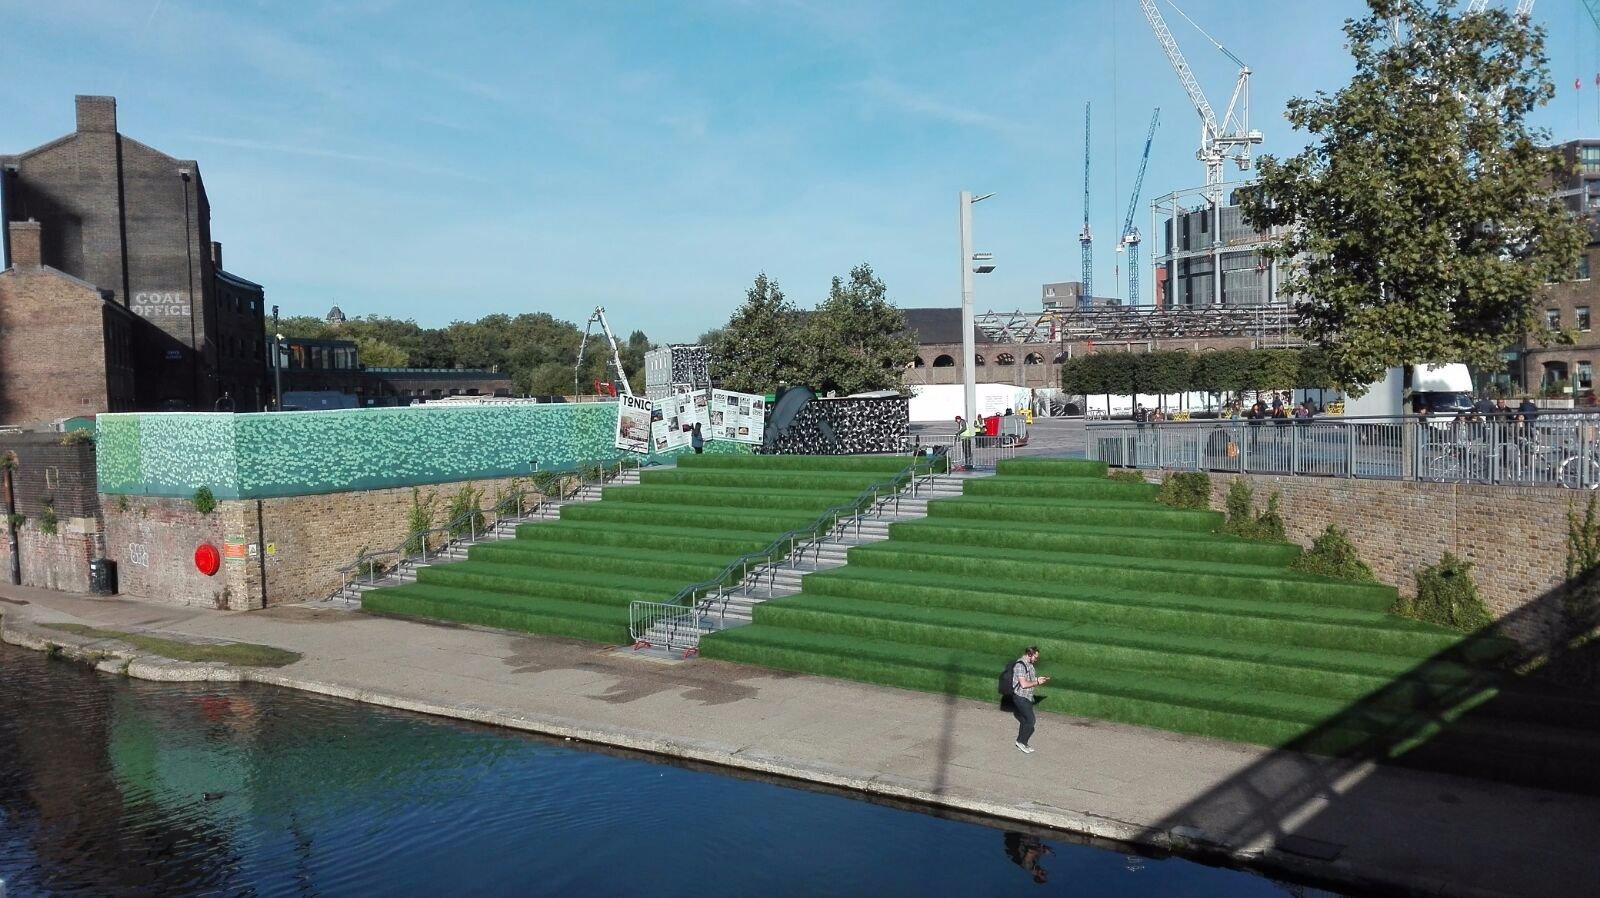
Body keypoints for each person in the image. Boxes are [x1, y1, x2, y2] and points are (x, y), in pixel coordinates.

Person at [1010, 646, 1048, 753]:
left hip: (1027, 697)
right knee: (1031, 721)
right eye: (1035, 657)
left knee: (1025, 721)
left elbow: (1029, 679)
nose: (1036, 660)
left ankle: (1023, 743)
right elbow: (1023, 684)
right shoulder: (1020, 666)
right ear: (1029, 655)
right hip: (1020, 697)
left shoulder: (1029, 665)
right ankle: (1020, 742)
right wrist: (1037, 682)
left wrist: (1037, 679)